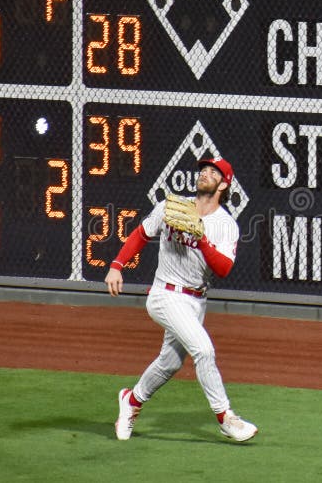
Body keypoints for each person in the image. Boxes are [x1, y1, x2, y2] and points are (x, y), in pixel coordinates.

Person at [105, 157, 258, 442]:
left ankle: (132, 400)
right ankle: (226, 417)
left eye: (214, 172)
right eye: (204, 170)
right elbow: (141, 234)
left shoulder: (226, 225)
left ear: (224, 184)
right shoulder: (173, 207)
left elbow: (223, 269)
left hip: (195, 301)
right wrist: (117, 265)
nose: (205, 174)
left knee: (170, 362)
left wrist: (201, 240)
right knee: (203, 349)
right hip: (164, 294)